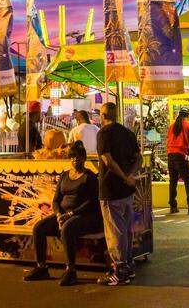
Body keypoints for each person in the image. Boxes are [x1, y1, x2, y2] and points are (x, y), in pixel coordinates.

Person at [24, 141, 103, 286]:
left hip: (85, 216)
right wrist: (59, 214)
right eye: (72, 157)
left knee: (67, 228)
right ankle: (41, 267)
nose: (74, 160)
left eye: (78, 157)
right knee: (39, 228)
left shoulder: (90, 177)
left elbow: (92, 203)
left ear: (84, 159)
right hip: (64, 215)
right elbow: (56, 200)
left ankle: (71, 270)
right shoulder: (65, 175)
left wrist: (71, 214)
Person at [95, 102, 141, 286]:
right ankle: (128, 266)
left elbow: (106, 159)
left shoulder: (104, 133)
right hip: (126, 190)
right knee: (126, 229)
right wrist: (130, 176)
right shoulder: (128, 133)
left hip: (111, 189)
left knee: (115, 231)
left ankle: (119, 269)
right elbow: (139, 158)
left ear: (103, 115)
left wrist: (123, 176)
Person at [165, 108, 189, 215]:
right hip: (180, 155)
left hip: (170, 155)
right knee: (188, 180)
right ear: (187, 116)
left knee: (173, 181)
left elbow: (168, 140)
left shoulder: (171, 126)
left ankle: (173, 206)